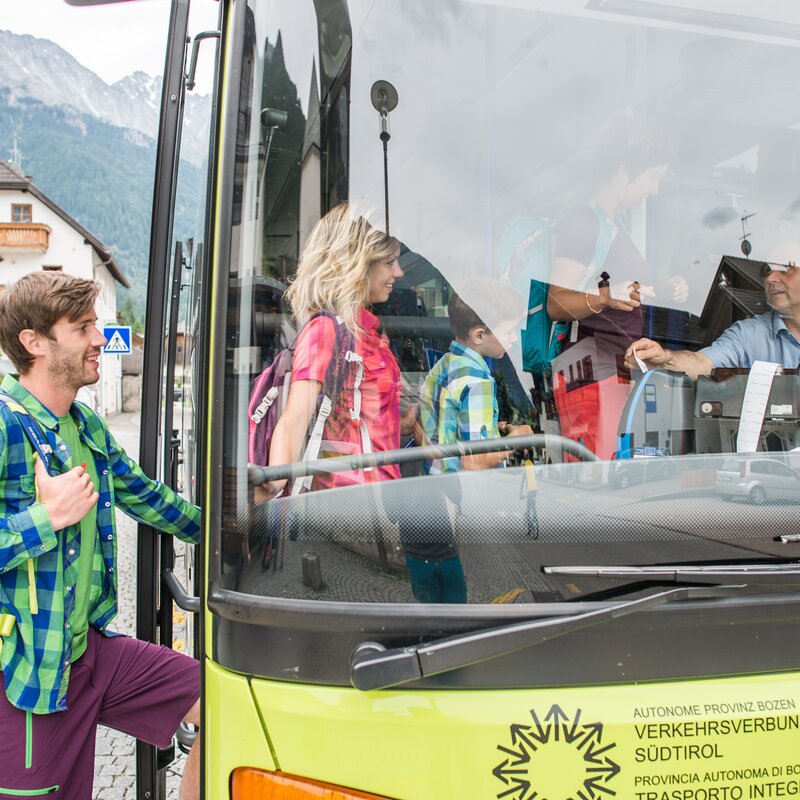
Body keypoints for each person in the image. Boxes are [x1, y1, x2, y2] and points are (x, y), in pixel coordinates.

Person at [0, 272, 201, 800]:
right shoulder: (4, 426)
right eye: (83, 327)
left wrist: (232, 532)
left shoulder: (85, 425)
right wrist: (46, 518)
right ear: (34, 342)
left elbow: (145, 495)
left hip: (90, 654)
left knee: (218, 698)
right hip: (29, 673)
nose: (98, 339)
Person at [545, 119, 687, 459]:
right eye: (652, 177)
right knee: (601, 472)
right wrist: (606, 298)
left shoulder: (613, 227)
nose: (654, 190)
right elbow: (556, 303)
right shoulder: (584, 221)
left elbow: (620, 293)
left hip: (615, 374)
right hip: (596, 374)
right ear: (625, 169)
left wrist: (659, 290)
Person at [266, 203, 407, 495]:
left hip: (383, 496)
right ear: (359, 261)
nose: (400, 272)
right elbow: (294, 420)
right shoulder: (325, 331)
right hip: (351, 503)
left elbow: (366, 416)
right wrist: (271, 489)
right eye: (390, 262)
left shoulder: (366, 330)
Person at [409, 278, 532, 603]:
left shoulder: (445, 365)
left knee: (431, 587)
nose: (514, 337)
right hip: (451, 502)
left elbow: (428, 422)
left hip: (425, 494)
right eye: (508, 330)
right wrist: (516, 438)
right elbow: (474, 460)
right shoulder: (478, 381)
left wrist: (493, 429)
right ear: (480, 334)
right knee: (454, 592)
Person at [625, 257, 800, 377]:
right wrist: (665, 361)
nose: (771, 277)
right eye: (767, 270)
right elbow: (703, 363)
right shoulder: (748, 335)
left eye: (786, 267)